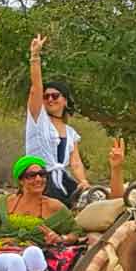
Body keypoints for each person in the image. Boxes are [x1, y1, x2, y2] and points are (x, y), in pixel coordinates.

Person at [25, 34, 89, 207]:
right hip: (39, 180)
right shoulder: (38, 119)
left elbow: (75, 162)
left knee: (92, 201)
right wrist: (35, 57)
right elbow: (35, 89)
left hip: (63, 182)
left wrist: (83, 181)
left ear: (65, 100)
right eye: (46, 97)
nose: (50, 99)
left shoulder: (71, 133)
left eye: (55, 95)